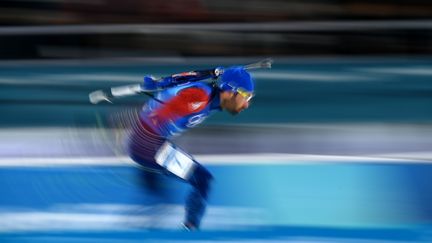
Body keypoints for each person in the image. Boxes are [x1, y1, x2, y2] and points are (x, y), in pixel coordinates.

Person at [125, 65, 255, 230]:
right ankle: (190, 232)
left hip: (146, 142)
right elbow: (162, 114)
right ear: (230, 91)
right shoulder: (199, 97)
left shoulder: (208, 95)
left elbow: (183, 79)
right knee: (203, 180)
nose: (246, 104)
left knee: (157, 199)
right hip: (149, 145)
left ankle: (139, 230)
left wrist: (160, 84)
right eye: (247, 97)